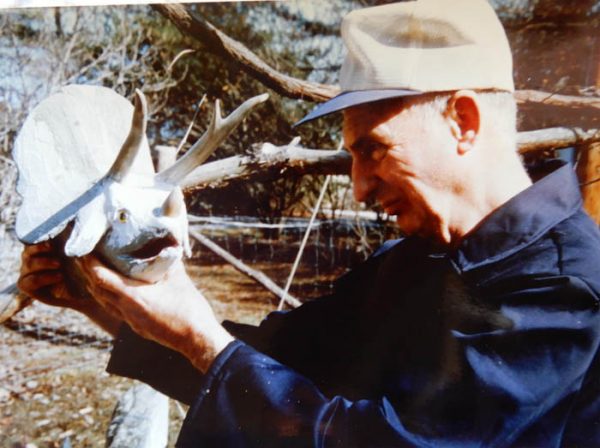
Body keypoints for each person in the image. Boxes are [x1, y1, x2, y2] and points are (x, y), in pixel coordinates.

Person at [18, 0, 600, 446]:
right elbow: (274, 369)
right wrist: (106, 302)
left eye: (373, 150)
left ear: (464, 120)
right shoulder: (416, 260)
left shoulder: (561, 290)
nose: (359, 186)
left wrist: (200, 336)